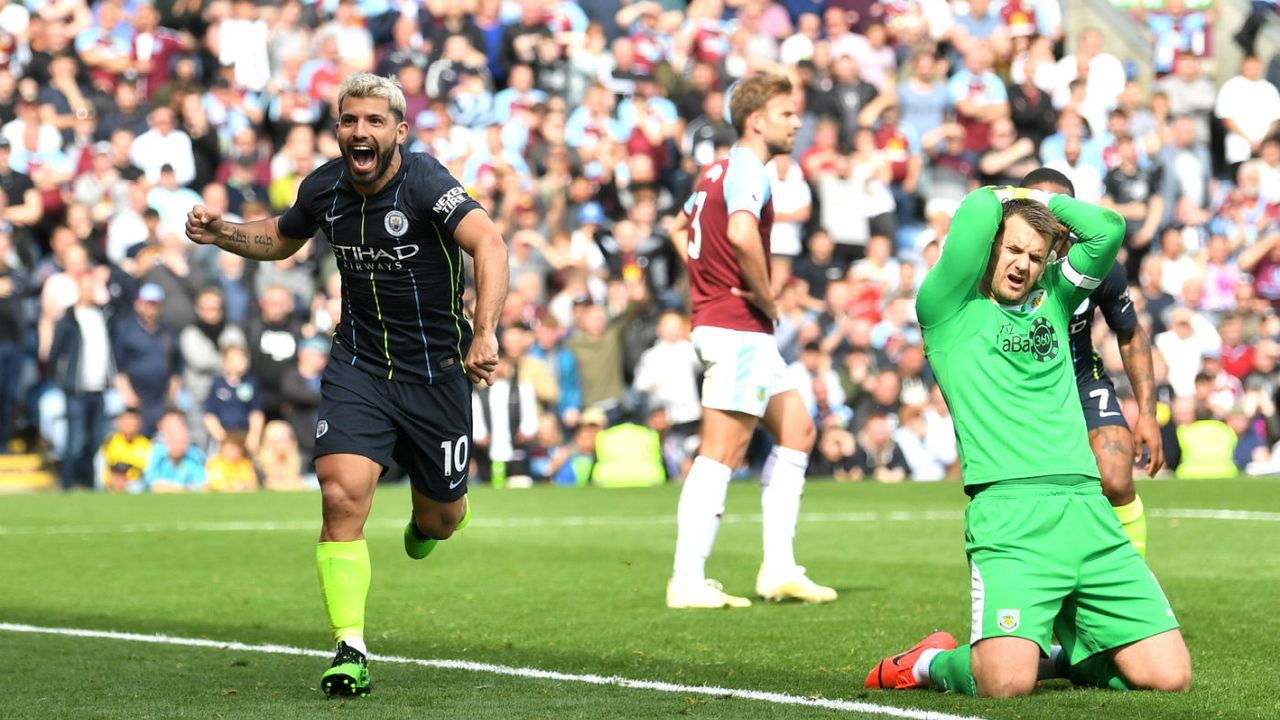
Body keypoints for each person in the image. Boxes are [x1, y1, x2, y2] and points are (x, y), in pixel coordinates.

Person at [185, 73, 509, 697]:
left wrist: (486, 331)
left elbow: (489, 245)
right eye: (349, 120)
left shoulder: (426, 183)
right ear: (338, 128)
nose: (360, 132)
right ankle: (350, 648)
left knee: (440, 520)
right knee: (341, 496)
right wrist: (223, 231)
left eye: (374, 122)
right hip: (359, 366)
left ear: (399, 132)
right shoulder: (325, 187)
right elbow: (282, 237)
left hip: (436, 375)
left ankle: (432, 519)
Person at [864, 185, 1190, 696]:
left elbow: (1108, 229)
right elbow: (974, 210)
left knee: (1170, 678)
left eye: (1036, 256)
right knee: (1004, 685)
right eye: (1012, 249)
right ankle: (929, 662)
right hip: (1010, 518)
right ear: (990, 248)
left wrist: (1045, 205)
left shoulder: (1056, 299)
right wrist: (1021, 195)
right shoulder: (946, 309)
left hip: (1087, 512)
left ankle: (1060, 655)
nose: (1023, 264)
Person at [665, 74, 834, 609]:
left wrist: (705, 282)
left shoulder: (712, 169)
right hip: (738, 326)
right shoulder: (748, 169)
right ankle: (687, 580)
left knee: (798, 430)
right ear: (758, 120)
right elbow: (741, 233)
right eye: (787, 113)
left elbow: (677, 229)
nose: (797, 122)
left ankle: (778, 569)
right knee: (721, 452)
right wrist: (763, 296)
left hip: (735, 327)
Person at [1022, 168, 1164, 558]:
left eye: (1057, 209)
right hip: (1024, 392)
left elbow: (1130, 333)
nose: (1047, 218)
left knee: (1117, 480)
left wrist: (1147, 414)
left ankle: (1135, 582)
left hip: (1083, 380)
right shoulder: (1005, 266)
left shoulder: (1098, 264)